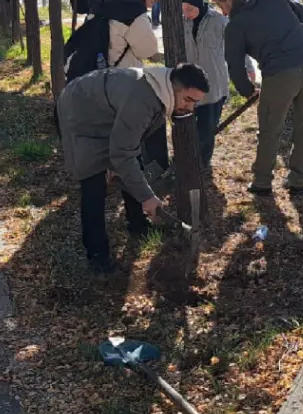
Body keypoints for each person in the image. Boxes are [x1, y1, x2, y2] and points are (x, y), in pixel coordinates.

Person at [57, 64, 210, 273]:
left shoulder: (160, 92)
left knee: (131, 166)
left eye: (195, 103)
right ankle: (98, 257)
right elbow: (122, 153)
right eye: (188, 100)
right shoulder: (144, 100)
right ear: (174, 87)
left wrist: (119, 166)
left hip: (107, 112)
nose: (190, 108)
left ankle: (138, 224)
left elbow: (129, 146)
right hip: (80, 111)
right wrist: (147, 197)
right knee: (93, 183)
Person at [213, 0, 303, 196]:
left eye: (221, 6)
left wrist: (246, 90)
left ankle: (262, 181)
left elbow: (234, 64)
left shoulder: (235, 25)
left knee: (270, 130)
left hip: (279, 74)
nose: (223, 12)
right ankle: (298, 180)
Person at [181, 0, 256, 168]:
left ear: (199, 4)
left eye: (190, 8)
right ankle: (187, 162)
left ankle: (202, 164)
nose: (187, 13)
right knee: (189, 127)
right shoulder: (182, 23)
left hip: (213, 84)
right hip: (189, 85)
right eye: (183, 9)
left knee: (207, 128)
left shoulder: (219, 21)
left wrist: (248, 68)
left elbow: (237, 47)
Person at [98, 0, 162, 69]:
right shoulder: (136, 11)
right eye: (153, 1)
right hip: (124, 71)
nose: (152, 6)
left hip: (104, 65)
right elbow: (148, 50)